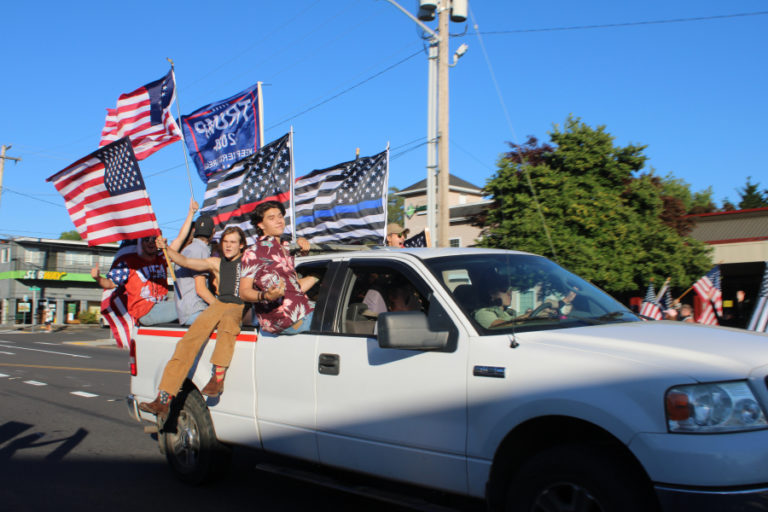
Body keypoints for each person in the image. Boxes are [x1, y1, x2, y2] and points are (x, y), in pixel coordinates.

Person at [139, 226, 248, 419]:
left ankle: (217, 378)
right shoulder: (216, 262)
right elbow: (186, 261)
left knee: (228, 324)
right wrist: (167, 248)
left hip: (238, 305)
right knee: (188, 342)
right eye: (226, 242)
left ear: (241, 245)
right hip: (219, 303)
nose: (229, 245)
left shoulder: (250, 262)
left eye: (233, 242)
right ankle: (163, 399)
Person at [91, 199, 198, 326]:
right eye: (146, 239)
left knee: (192, 303)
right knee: (188, 305)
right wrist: (97, 278)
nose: (151, 242)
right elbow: (110, 284)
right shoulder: (129, 263)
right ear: (140, 242)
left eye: (154, 238)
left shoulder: (162, 257)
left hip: (161, 306)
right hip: (144, 312)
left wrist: (191, 213)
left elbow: (180, 239)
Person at [239, 201, 319, 334]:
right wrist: (265, 296)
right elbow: (243, 292)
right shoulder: (253, 252)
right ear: (260, 224)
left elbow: (294, 288)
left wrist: (301, 242)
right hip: (288, 320)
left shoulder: (287, 248)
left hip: (304, 310)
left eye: (280, 216)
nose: (279, 221)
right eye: (271, 218)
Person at [174, 214, 216, 325]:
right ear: (213, 231)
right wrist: (220, 307)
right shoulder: (202, 250)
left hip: (185, 309)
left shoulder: (188, 249)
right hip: (194, 310)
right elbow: (201, 289)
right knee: (231, 322)